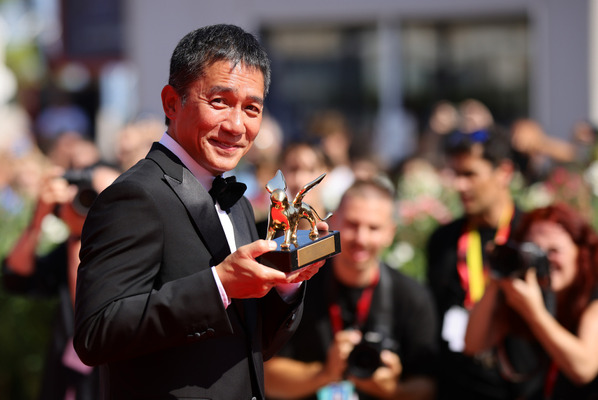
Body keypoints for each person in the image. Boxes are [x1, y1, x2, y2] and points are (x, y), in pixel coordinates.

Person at [73, 24, 326, 400]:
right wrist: (218, 285)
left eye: (252, 108)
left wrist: (288, 281)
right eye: (220, 101)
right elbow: (96, 333)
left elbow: (252, 347)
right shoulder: (134, 196)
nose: (236, 126)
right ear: (171, 103)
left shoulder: (239, 204)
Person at [264, 179, 438, 400]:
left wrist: (393, 390)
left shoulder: (412, 297)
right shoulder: (299, 284)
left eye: (373, 228)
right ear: (333, 221)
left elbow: (428, 387)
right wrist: (325, 373)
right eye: (352, 224)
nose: (361, 239)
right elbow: (267, 376)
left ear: (390, 233)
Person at [426, 127, 533, 399]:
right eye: (456, 175)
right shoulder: (443, 241)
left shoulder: (530, 235)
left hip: (520, 388)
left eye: (470, 174)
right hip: (458, 387)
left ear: (504, 172)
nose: (459, 185)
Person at [3, 158, 120, 400]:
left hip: (108, 378)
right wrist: (39, 218)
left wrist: (80, 238)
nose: (94, 205)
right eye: (90, 196)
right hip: (63, 375)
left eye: (107, 198)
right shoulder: (71, 243)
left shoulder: (132, 249)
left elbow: (90, 308)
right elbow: (15, 275)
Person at [465, 203, 598, 399]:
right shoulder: (521, 291)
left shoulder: (593, 294)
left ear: (581, 252)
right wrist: (496, 278)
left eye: (554, 251)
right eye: (535, 251)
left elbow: (584, 370)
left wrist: (535, 314)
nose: (545, 260)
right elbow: (473, 344)